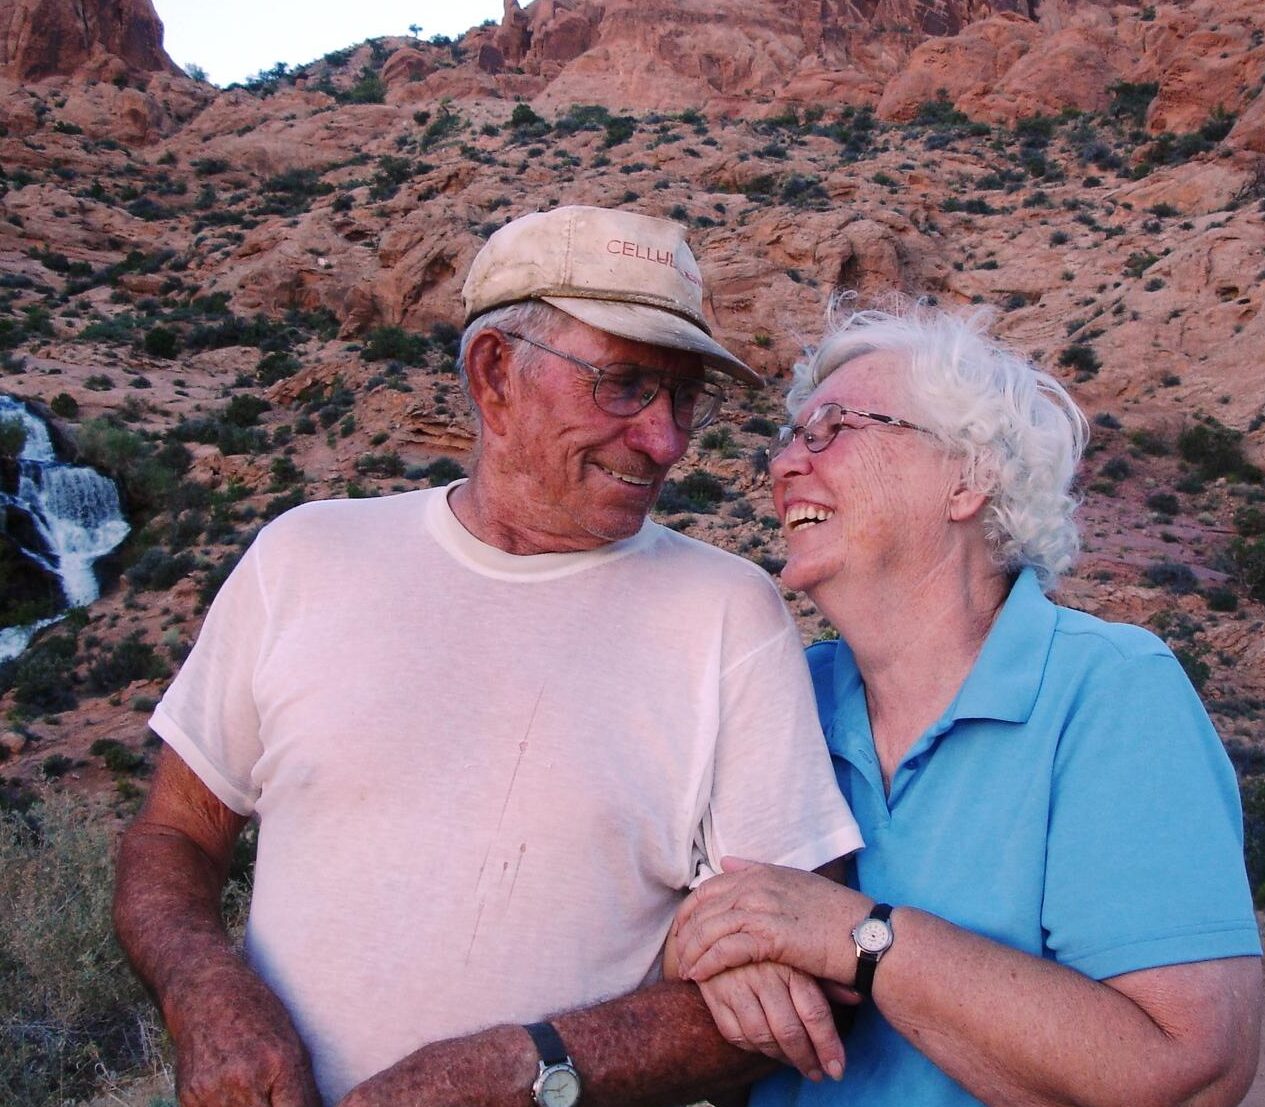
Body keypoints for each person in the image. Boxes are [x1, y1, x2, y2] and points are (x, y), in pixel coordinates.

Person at [113, 205, 863, 1107]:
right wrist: (206, 992)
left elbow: (802, 980)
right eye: (623, 384)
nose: (665, 440)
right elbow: (172, 833)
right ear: (495, 373)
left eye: (683, 396)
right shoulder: (304, 556)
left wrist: (534, 1066)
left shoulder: (727, 611)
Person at [671, 302, 1264, 1106]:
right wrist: (713, 948)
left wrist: (855, 935)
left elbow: (1187, 1071)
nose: (782, 466)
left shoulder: (1109, 691)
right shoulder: (779, 693)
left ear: (969, 477)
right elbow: (683, 936)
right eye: (788, 437)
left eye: (833, 428)